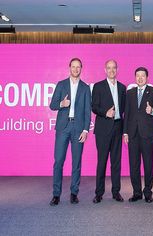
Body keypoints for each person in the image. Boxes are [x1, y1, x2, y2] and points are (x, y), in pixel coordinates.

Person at [49, 58, 91, 206]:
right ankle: (56, 194)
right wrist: (62, 103)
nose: (75, 69)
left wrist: (86, 130)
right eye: (73, 67)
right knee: (58, 161)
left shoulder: (85, 88)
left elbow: (87, 111)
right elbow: (52, 105)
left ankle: (74, 193)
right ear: (69, 68)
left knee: (76, 163)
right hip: (63, 128)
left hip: (78, 129)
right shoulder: (61, 85)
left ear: (81, 69)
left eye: (78, 67)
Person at [123, 67, 153, 203]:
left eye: (142, 76)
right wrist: (125, 132)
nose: (140, 78)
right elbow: (126, 113)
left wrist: (152, 110)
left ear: (147, 78)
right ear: (135, 77)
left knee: (148, 164)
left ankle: (148, 192)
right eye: (137, 76)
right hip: (132, 133)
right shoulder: (130, 93)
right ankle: (137, 192)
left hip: (147, 133)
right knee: (134, 165)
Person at [92, 59, 126, 203]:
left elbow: (125, 109)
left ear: (117, 70)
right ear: (105, 70)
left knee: (116, 162)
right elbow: (94, 106)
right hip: (103, 129)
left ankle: (116, 192)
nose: (112, 70)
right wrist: (105, 113)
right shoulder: (98, 86)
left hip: (118, 127)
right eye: (109, 68)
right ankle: (99, 193)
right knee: (102, 162)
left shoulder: (122, 87)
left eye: (114, 68)